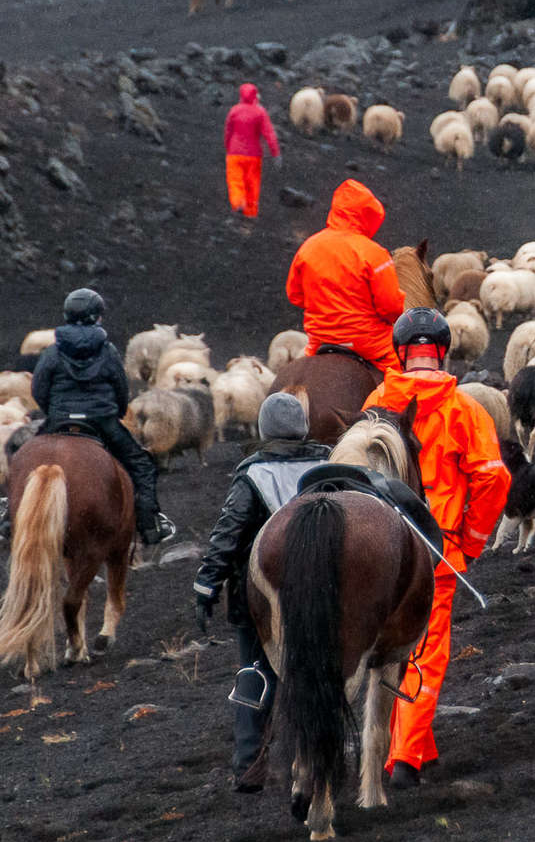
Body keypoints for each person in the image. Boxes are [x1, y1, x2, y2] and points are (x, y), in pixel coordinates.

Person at [362, 308, 509, 788]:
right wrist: (470, 541)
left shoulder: (376, 403)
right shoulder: (465, 409)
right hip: (435, 553)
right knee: (423, 654)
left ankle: (413, 748)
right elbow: (492, 478)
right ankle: (403, 758)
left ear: (401, 353)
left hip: (378, 551)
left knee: (383, 652)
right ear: (442, 352)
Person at [192, 392, 332, 792]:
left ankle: (249, 767)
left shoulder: (254, 474)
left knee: (254, 671)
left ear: (264, 430)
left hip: (260, 600)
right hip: (322, 592)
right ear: (303, 428)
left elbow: (229, 532)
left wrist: (206, 586)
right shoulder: (329, 467)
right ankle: (312, 763)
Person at [23, 288, 175, 545]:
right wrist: (112, 411)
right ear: (97, 317)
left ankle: (8, 513)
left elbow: (38, 389)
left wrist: (55, 413)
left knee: (22, 458)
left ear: (67, 315)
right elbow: (121, 389)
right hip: (101, 421)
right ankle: (151, 525)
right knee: (143, 465)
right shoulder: (108, 351)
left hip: (60, 420)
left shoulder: (52, 352)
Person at [285, 179, 407, 372]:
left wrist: (325, 306)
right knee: (405, 372)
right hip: (368, 343)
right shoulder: (373, 253)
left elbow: (295, 295)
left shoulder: (308, 246)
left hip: (319, 339)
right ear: (369, 215)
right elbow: (390, 306)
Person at [222, 83, 281, 219]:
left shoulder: (235, 110)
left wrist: (227, 146)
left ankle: (238, 204)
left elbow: (228, 131)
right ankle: (250, 212)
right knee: (252, 184)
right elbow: (269, 133)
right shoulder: (260, 112)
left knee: (235, 180)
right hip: (254, 155)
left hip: (235, 153)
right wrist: (275, 153)